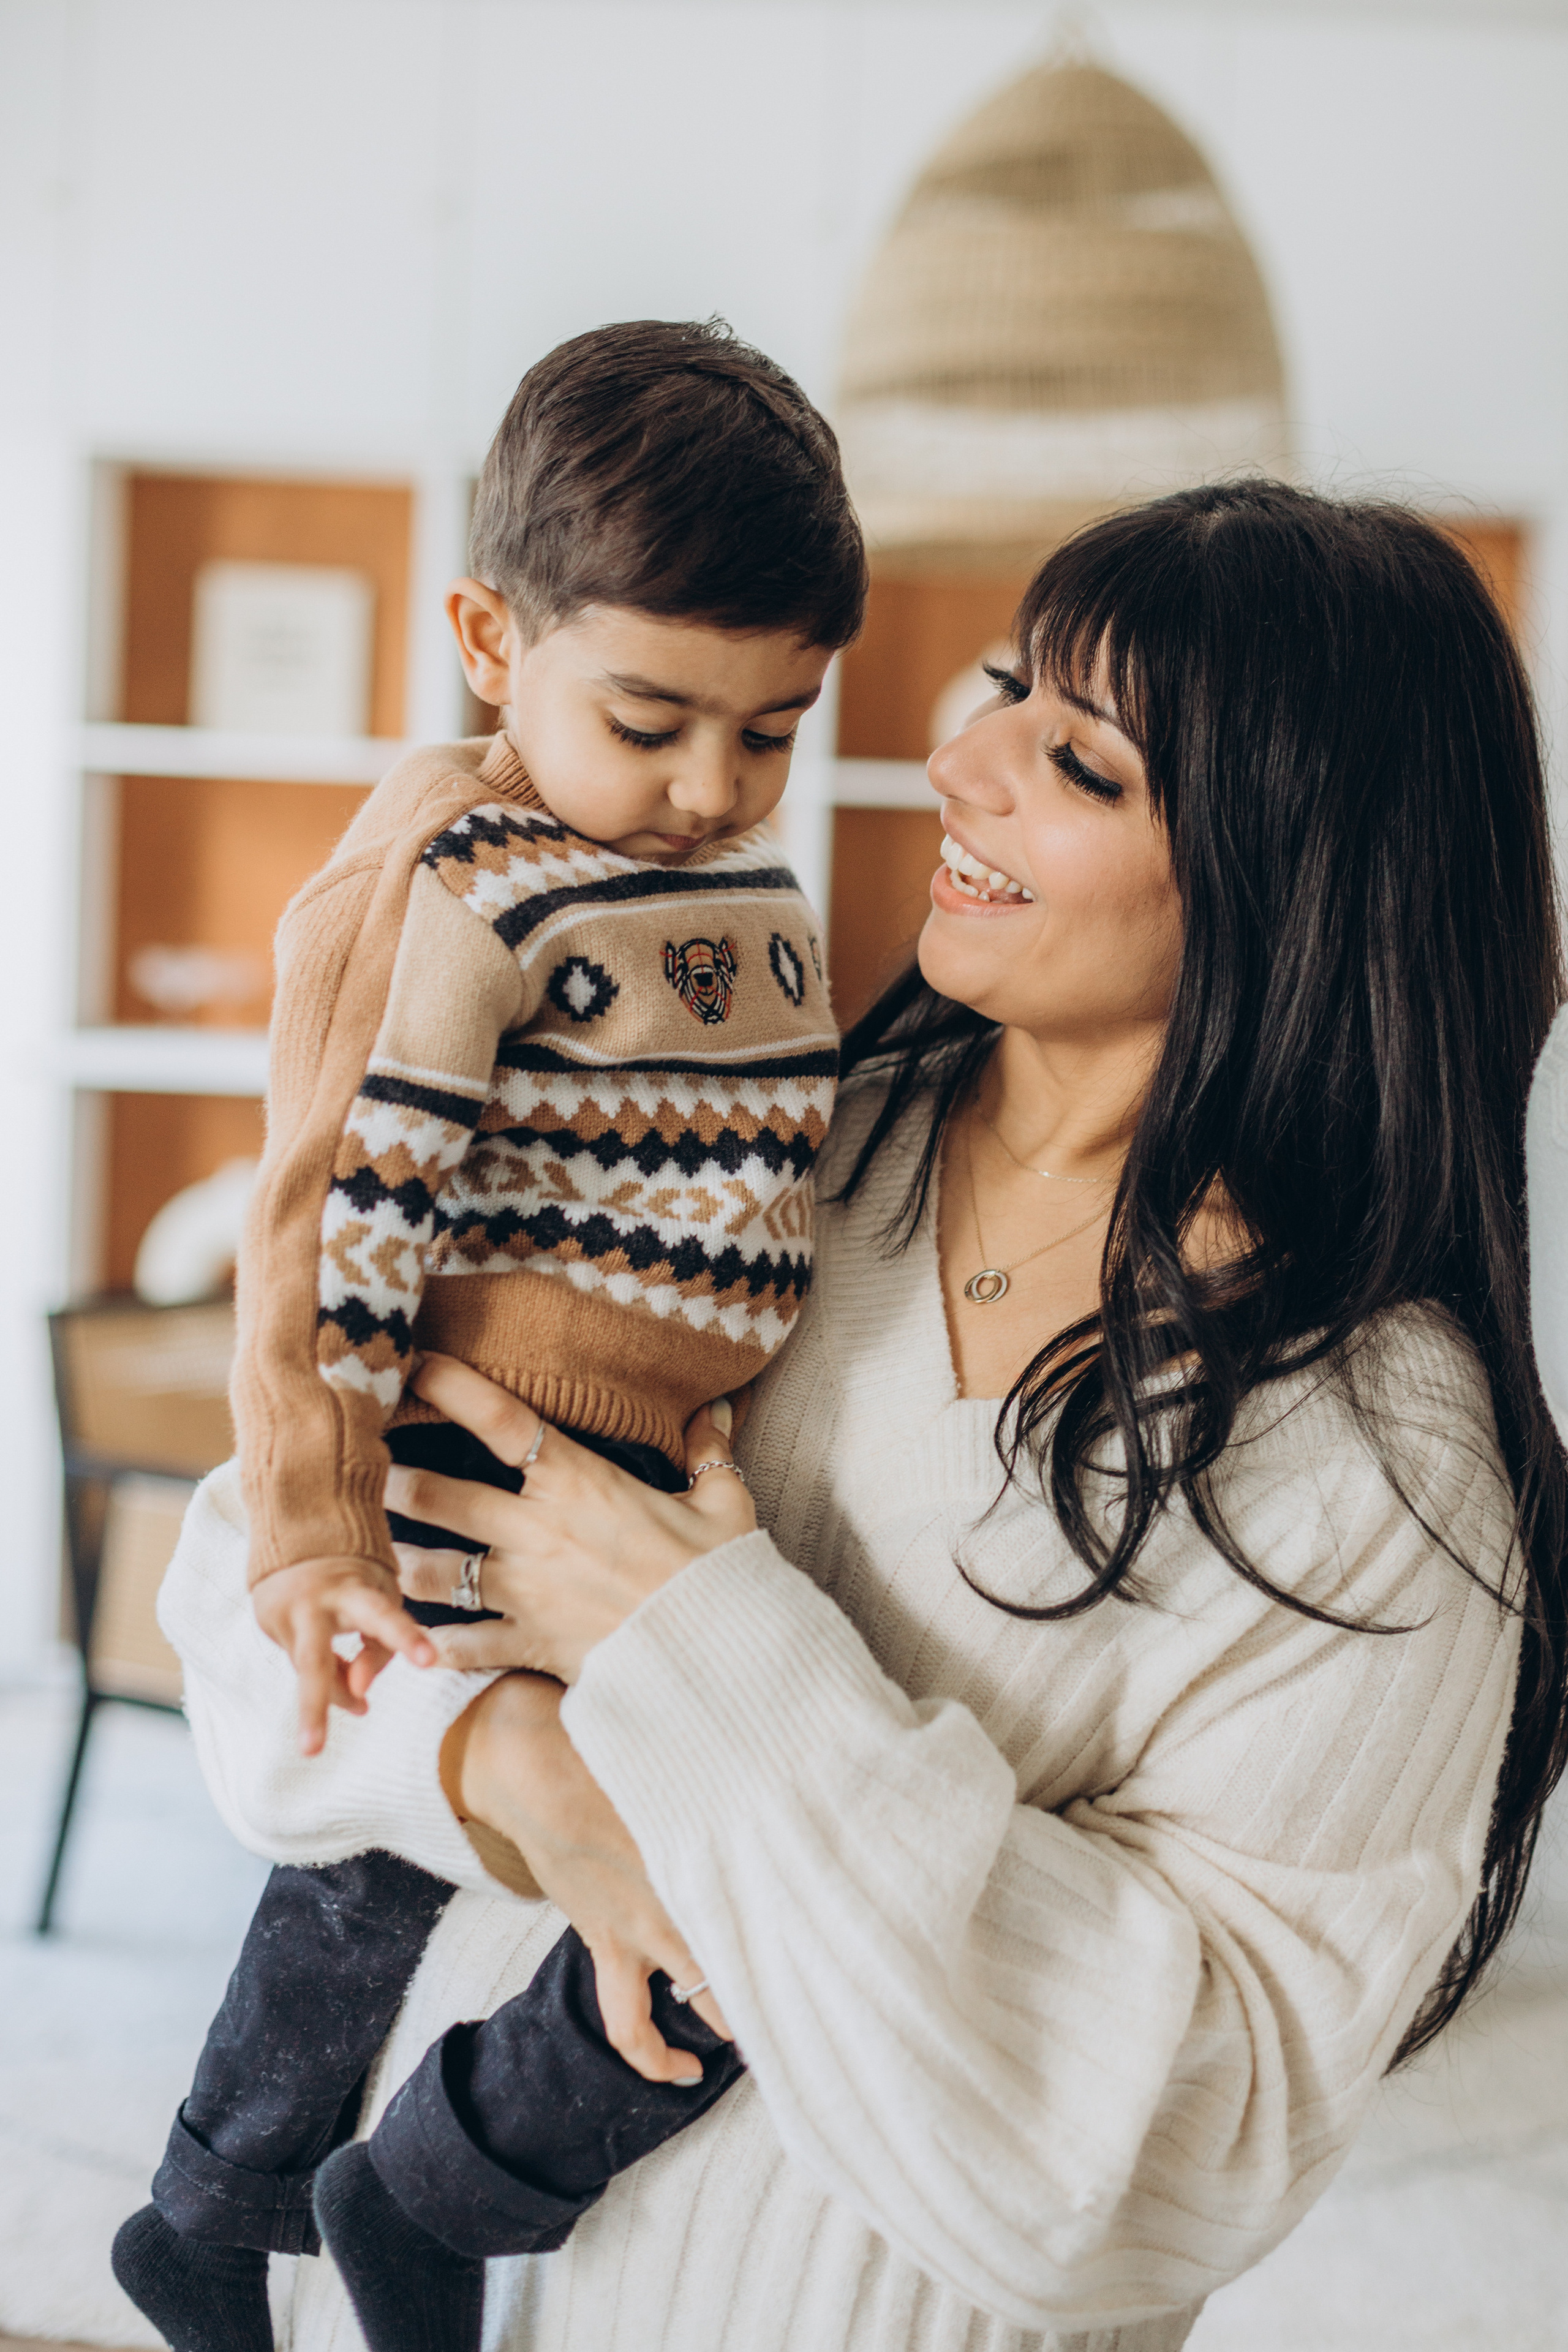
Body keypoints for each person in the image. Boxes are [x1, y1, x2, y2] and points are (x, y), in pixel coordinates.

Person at [157, 481, 1568, 2352]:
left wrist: (705, 1645)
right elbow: (250, 1594)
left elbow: (1151, 2161)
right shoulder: (745, 1139)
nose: (952, 761)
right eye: (999, 689)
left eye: (1075, 761)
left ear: (1285, 874)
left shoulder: (1373, 1466)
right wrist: (518, 1771)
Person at [112, 317, 863, 2352]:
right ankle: (294, 2199)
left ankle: (343, 2191)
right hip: (476, 1458)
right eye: (654, 718)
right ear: (486, 634)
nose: (713, 784)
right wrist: (314, 1523)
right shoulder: (453, 879)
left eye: (773, 727)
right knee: (409, 1870)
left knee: (584, 1880)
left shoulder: (724, 873)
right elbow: (327, 1223)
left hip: (658, 1489)